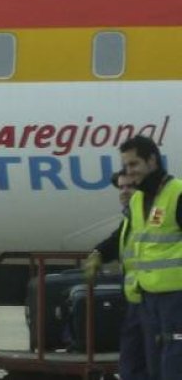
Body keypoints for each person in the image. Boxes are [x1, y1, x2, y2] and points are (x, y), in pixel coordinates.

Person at [119, 135, 182, 379]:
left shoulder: (177, 193)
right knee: (153, 365)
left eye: (134, 164)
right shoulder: (137, 201)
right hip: (147, 297)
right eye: (126, 166)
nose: (130, 172)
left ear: (152, 160)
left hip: (176, 298)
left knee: (174, 364)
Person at [84, 169, 148, 380]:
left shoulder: (152, 216)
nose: (124, 192)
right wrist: (98, 253)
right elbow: (116, 240)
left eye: (130, 186)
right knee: (132, 365)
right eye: (121, 187)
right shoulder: (131, 219)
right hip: (136, 301)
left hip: (157, 300)